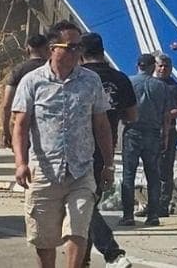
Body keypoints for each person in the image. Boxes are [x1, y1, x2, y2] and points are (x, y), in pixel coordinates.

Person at [12, 21, 114, 268]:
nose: (76, 52)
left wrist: (109, 164)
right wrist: (21, 163)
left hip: (80, 170)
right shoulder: (32, 81)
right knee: (44, 240)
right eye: (70, 47)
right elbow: (20, 125)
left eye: (79, 47)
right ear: (52, 48)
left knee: (77, 230)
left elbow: (102, 125)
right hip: (44, 173)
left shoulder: (91, 82)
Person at [79, 32, 137, 268]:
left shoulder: (80, 78)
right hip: (106, 148)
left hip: (79, 149)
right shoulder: (121, 79)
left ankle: (111, 252)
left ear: (81, 53)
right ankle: (82, 259)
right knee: (87, 204)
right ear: (103, 50)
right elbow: (132, 115)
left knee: (84, 205)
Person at [119, 53, 170, 227]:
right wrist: (165, 136)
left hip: (132, 131)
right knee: (153, 175)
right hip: (153, 133)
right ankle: (153, 215)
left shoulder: (129, 82)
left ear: (138, 65)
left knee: (128, 175)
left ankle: (128, 216)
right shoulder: (161, 87)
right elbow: (166, 114)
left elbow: (121, 107)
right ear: (152, 67)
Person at [0, 33, 50, 148]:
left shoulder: (18, 71)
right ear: (47, 49)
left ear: (28, 49)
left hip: (24, 129)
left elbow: (6, 105)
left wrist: (6, 131)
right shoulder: (54, 70)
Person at [152, 52, 177, 217]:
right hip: (149, 132)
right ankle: (152, 204)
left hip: (168, 133)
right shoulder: (149, 84)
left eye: (166, 67)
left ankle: (162, 205)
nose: (163, 69)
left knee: (165, 170)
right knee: (151, 170)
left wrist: (165, 114)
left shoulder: (174, 88)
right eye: (160, 66)